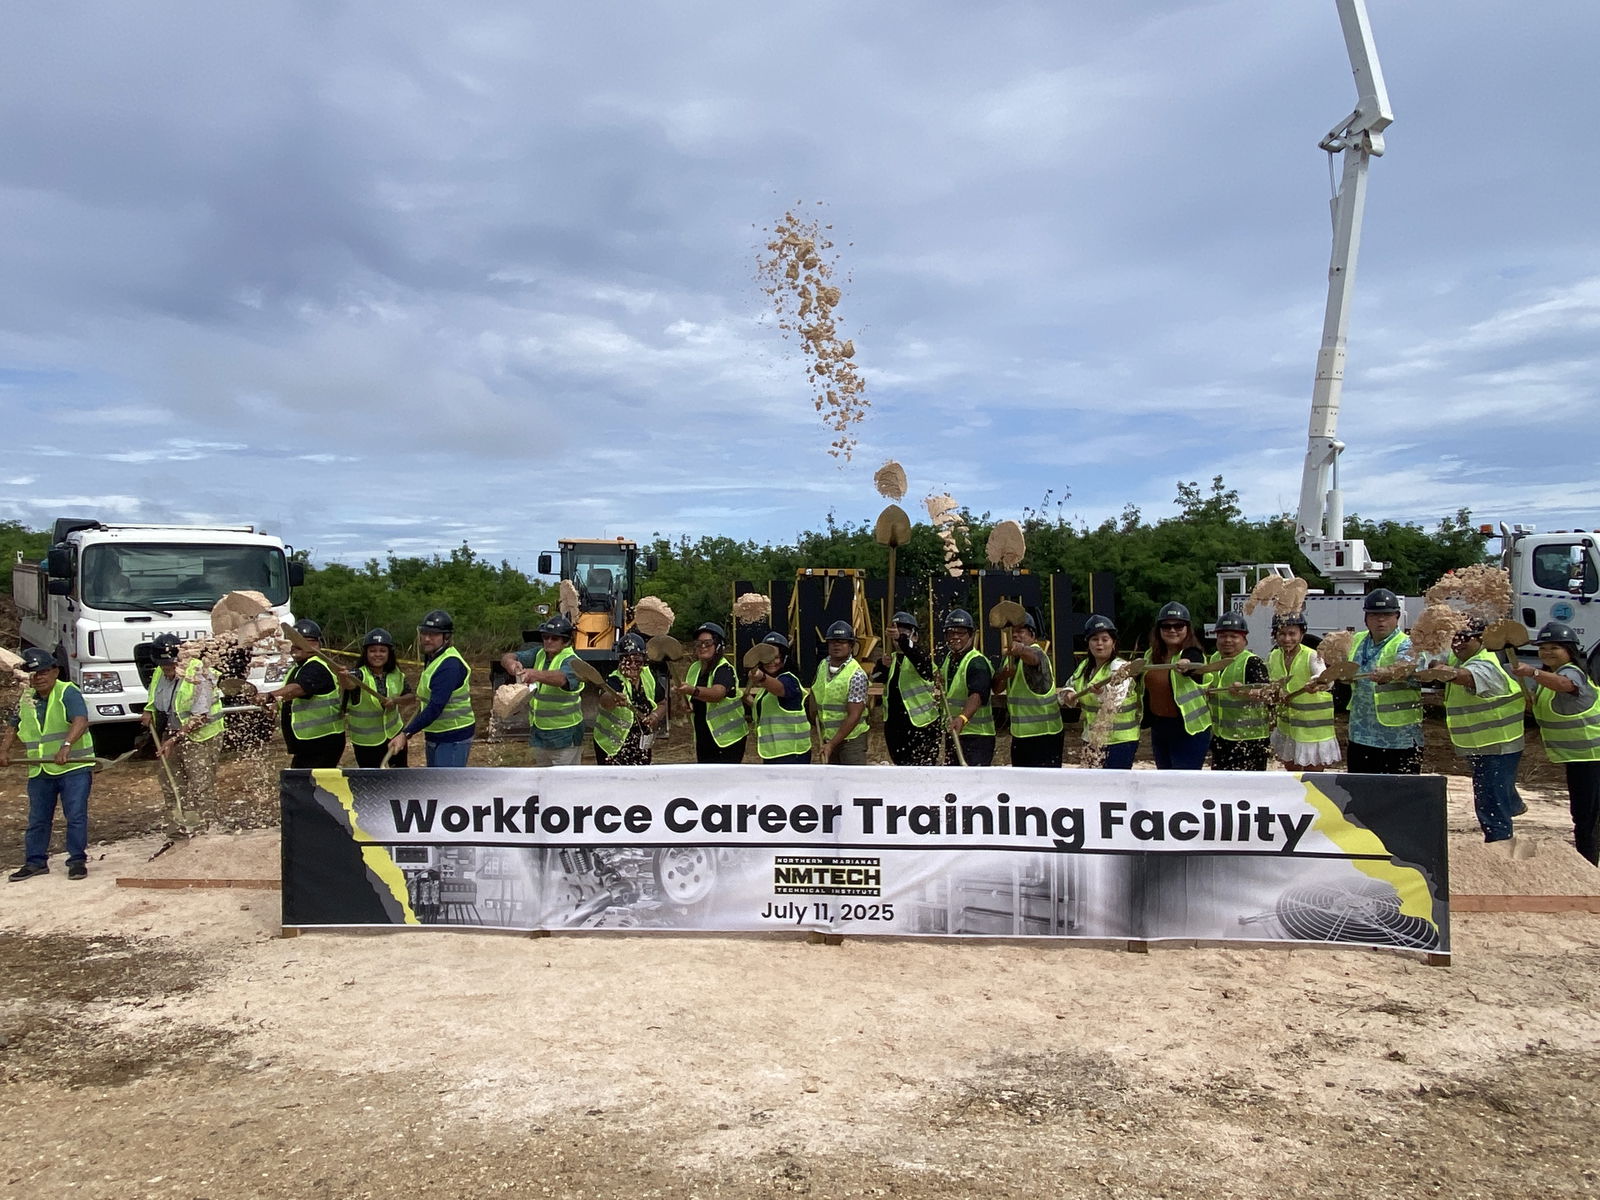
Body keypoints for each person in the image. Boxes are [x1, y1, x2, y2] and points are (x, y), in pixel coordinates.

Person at [1509, 621, 1600, 864]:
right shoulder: (1551, 677)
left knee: (1586, 819)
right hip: (1578, 758)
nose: (1547, 652)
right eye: (1543, 648)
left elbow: (1566, 686)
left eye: (1554, 648)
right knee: (1585, 816)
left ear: (1569, 650)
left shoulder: (1571, 672)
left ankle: (1588, 865)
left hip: (1591, 756)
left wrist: (1533, 673)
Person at [2, 648, 94, 880]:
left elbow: (80, 720)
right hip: (40, 769)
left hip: (73, 767)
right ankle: (35, 862)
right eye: (33, 674)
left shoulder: (67, 692)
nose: (38, 677)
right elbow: (14, 725)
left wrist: (66, 746)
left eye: (43, 672)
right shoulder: (27, 697)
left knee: (75, 815)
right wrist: (3, 750)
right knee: (38, 819)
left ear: (55, 671)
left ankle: (77, 861)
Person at [1442, 618, 1525, 844]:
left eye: (1464, 639)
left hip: (1498, 744)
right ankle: (1510, 801)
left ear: (1480, 640)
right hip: (1482, 744)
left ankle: (1500, 846)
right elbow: (1439, 661)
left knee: (1490, 802)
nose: (1457, 644)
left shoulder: (1485, 663)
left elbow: (1466, 677)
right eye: (1454, 639)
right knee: (1494, 789)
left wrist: (1445, 672)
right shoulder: (1460, 658)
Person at [142, 633, 223, 839]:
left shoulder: (201, 674)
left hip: (201, 737)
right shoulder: (160, 673)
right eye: (163, 665)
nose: (167, 669)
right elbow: (155, 698)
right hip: (172, 733)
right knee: (171, 782)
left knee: (200, 785)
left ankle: (204, 829)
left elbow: (200, 717)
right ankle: (178, 827)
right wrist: (148, 711)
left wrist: (173, 740)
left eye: (170, 664)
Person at [1346, 588, 1423, 774]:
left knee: (1399, 797)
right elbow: (1345, 669)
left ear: (1397, 617)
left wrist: (1391, 673)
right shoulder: (1356, 640)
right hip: (1361, 732)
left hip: (1399, 738)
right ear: (1366, 618)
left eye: (1387, 615)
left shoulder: (1407, 643)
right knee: (1360, 794)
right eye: (1374, 615)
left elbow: (1411, 665)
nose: (1381, 620)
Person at [390, 610, 474, 767]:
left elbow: (435, 707)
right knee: (436, 784)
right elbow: (426, 702)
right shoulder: (433, 657)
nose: (427, 638)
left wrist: (406, 734)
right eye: (424, 633)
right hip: (436, 734)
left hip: (453, 737)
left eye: (434, 634)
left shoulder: (449, 665)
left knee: (446, 788)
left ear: (446, 637)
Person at [501, 615, 582, 767]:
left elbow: (561, 678)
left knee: (564, 783)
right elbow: (508, 657)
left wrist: (533, 674)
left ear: (566, 641)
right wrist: (511, 664)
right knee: (543, 779)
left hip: (564, 734)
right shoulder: (539, 653)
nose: (548, 641)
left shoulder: (573, 661)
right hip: (540, 732)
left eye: (554, 638)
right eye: (545, 637)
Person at [1060, 615, 1140, 769]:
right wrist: (1068, 694)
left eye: (1105, 639)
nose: (1100, 644)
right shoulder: (1084, 666)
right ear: (1088, 643)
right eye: (1094, 639)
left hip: (1120, 742)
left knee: (1113, 787)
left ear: (1113, 643)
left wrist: (1101, 692)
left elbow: (1115, 699)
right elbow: (1069, 685)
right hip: (1092, 739)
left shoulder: (1120, 668)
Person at [1142, 602, 1211, 770]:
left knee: (1184, 783)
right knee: (1165, 781)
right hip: (1160, 728)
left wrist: (1187, 665)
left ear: (1187, 629)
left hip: (1189, 730)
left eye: (1179, 626)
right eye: (1166, 626)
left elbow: (1195, 664)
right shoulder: (1151, 655)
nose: (1172, 630)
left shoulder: (1193, 652)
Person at [1267, 613, 1339, 772]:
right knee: (1292, 774)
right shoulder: (1273, 656)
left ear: (1302, 634)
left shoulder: (1313, 656)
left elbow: (1326, 678)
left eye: (1292, 634)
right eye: (1282, 634)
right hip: (1288, 727)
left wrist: (1317, 682)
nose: (1287, 639)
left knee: (1312, 778)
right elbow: (1273, 685)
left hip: (1313, 732)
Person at [273, 619, 346, 769]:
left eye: (302, 642)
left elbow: (298, 689)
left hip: (322, 742)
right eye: (294, 642)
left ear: (316, 645)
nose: (295, 646)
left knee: (308, 788)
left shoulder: (316, 666)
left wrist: (270, 695)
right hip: (308, 742)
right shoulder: (298, 668)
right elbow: (292, 699)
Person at [994, 610, 1061, 767]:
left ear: (1032, 635)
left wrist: (1021, 649)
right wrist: (1003, 676)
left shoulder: (1037, 653)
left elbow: (1034, 658)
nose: (1015, 635)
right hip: (1020, 735)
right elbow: (996, 689)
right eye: (1012, 632)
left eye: (1020, 631)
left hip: (1045, 735)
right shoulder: (1009, 659)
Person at [872, 611, 941, 766]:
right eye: (896, 633)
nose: (899, 637)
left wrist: (901, 639)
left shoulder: (921, 657)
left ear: (914, 636)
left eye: (904, 632)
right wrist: (882, 666)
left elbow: (921, 661)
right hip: (896, 727)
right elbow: (875, 677)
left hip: (922, 727)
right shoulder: (891, 659)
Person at [1207, 611, 1272, 771]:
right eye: (1222, 636)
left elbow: (1268, 695)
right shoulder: (1214, 659)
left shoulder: (1252, 662)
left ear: (1244, 639)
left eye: (1233, 636)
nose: (1227, 640)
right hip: (1221, 737)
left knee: (1250, 789)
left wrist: (1244, 692)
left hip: (1250, 740)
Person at [675, 622, 747, 764]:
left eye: (707, 643)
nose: (702, 647)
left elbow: (717, 694)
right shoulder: (695, 668)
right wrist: (684, 701)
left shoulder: (724, 669)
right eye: (699, 643)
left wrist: (693, 690)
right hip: (704, 737)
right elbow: (689, 698)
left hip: (728, 740)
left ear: (718, 645)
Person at [341, 628, 413, 768]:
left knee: (399, 778)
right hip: (367, 743)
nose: (377, 654)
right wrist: (343, 677)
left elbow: (410, 697)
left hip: (395, 736)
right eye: (373, 650)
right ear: (366, 653)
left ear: (389, 653)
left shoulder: (396, 674)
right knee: (373, 783)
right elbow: (349, 684)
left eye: (382, 650)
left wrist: (395, 700)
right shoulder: (358, 675)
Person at [594, 634, 665, 765]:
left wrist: (655, 716)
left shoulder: (649, 677)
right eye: (626, 661)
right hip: (612, 747)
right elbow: (604, 700)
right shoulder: (614, 680)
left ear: (643, 661)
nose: (632, 665)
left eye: (637, 661)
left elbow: (662, 703)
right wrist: (614, 698)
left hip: (642, 744)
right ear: (620, 661)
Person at [939, 609, 995, 766]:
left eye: (961, 633)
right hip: (955, 732)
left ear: (971, 635)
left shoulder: (977, 662)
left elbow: (977, 695)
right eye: (951, 633)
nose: (955, 637)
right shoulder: (950, 659)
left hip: (977, 737)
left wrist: (963, 718)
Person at [746, 631, 811, 765]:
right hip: (773, 753)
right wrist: (751, 702)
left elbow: (781, 689)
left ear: (785, 658)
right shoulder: (766, 689)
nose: (771, 662)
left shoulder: (789, 680)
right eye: (767, 657)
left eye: (776, 657)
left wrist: (761, 677)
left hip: (792, 754)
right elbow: (772, 710)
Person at [812, 620, 871, 765]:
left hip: (851, 741)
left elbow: (854, 715)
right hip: (828, 737)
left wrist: (832, 744)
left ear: (851, 646)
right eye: (832, 642)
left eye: (842, 642)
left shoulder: (856, 675)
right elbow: (815, 690)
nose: (836, 645)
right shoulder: (822, 666)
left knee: (852, 782)